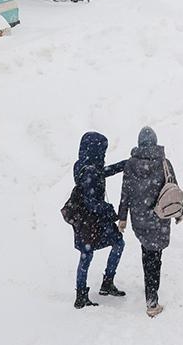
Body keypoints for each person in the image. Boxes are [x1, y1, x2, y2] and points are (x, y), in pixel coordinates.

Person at [118, 126, 182, 318]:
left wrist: (123, 218)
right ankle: (152, 301)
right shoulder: (164, 163)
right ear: (155, 142)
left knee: (147, 253)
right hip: (159, 218)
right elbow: (173, 189)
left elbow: (125, 193)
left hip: (140, 220)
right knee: (155, 256)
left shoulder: (130, 164)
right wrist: (179, 212)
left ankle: (150, 288)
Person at [72, 132, 127, 309]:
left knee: (87, 254)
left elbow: (103, 172)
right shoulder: (90, 170)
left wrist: (124, 164)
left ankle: (84, 293)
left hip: (86, 220)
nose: (103, 153)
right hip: (92, 221)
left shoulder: (83, 165)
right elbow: (91, 202)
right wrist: (109, 210)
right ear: (96, 150)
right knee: (114, 244)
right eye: (102, 149)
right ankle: (93, 290)